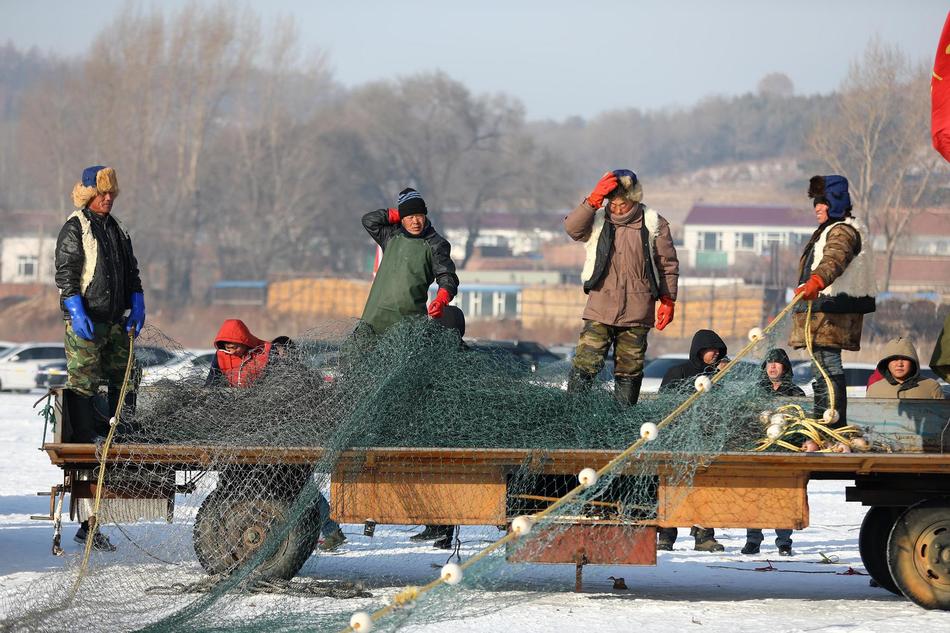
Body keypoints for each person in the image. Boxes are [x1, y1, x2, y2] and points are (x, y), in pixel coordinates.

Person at [55, 165, 145, 552]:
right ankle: (88, 434)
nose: (109, 198)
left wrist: (137, 299)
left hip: (115, 323)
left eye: (112, 193)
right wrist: (75, 308)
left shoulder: (118, 229)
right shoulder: (76, 227)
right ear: (87, 193)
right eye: (102, 192)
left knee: (128, 375)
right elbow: (66, 273)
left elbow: (132, 272)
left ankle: (119, 425)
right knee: (84, 381)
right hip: (87, 321)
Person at [205, 321, 348, 551]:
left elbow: (281, 388)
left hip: (277, 428)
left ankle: (330, 531)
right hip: (240, 428)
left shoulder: (267, 355)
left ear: (245, 341)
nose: (231, 351)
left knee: (299, 483)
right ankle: (327, 530)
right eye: (227, 347)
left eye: (235, 346)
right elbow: (211, 387)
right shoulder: (220, 359)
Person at [564, 170, 679, 405]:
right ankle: (572, 413)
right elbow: (573, 229)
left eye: (622, 204)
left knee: (630, 370)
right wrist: (592, 200)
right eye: (612, 204)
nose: (617, 209)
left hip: (638, 313)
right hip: (599, 308)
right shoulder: (597, 219)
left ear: (634, 199)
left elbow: (667, 264)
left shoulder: (654, 223)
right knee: (585, 363)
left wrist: (668, 300)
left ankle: (622, 421)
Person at [789, 175, 876, 428]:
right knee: (820, 371)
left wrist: (816, 281)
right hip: (821, 311)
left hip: (832, 311)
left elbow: (834, 260)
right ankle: (822, 423)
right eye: (815, 202)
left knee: (828, 366)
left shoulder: (842, 231)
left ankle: (832, 425)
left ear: (835, 203)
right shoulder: (829, 229)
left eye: (822, 202)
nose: (816, 207)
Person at [656, 329, 728, 552]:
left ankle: (704, 536)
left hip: (706, 442)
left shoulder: (717, 376)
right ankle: (667, 535)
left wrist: (719, 377)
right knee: (673, 488)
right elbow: (665, 405)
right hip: (677, 442)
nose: (715, 354)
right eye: (711, 349)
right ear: (699, 350)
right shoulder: (677, 372)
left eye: (718, 350)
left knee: (705, 489)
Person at [359, 188, 459, 336]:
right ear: (401, 218)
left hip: (409, 324)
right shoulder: (390, 235)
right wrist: (397, 213)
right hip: (374, 318)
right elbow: (368, 220)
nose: (416, 222)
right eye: (410, 217)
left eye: (419, 216)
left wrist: (441, 299)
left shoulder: (436, 244)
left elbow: (447, 277)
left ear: (425, 216)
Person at [742, 348, 804, 556]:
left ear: (785, 367)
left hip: (786, 452)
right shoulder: (755, 391)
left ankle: (784, 542)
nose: (773, 366)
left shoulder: (795, 393)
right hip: (759, 450)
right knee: (755, 495)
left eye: (777, 363)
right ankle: (753, 540)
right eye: (769, 363)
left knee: (784, 496)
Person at [867, 337, 945, 399]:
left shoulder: (931, 387)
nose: (899, 364)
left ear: (913, 362)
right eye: (894, 359)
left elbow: (942, 416)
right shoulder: (874, 390)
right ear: (887, 363)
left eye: (905, 359)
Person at [205, 319, 272, 388]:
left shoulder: (266, 349)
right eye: (228, 348)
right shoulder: (220, 356)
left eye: (235, 347)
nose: (232, 351)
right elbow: (211, 382)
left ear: (244, 342)